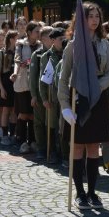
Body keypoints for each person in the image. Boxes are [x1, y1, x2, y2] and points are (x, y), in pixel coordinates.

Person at [58, 2, 109, 210]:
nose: (94, 20)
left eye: (97, 16)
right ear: (81, 19)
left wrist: (98, 87)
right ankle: (80, 193)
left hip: (97, 98)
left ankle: (92, 192)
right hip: (77, 98)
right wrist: (65, 106)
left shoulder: (104, 43)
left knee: (93, 147)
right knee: (77, 147)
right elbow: (63, 78)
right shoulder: (73, 45)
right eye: (90, 16)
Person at [11, 21, 41, 154]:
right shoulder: (21, 44)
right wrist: (15, 73)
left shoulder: (41, 45)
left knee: (33, 114)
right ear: (29, 32)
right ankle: (22, 141)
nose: (39, 34)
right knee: (23, 113)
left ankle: (33, 141)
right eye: (36, 31)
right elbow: (17, 60)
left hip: (36, 84)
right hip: (23, 83)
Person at [39, 27, 65, 164]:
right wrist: (44, 98)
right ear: (53, 41)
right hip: (52, 96)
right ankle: (53, 151)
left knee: (63, 126)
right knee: (52, 125)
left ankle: (63, 151)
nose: (63, 41)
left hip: (65, 96)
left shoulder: (68, 53)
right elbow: (42, 79)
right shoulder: (47, 56)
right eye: (61, 39)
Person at [30, 26, 54, 160]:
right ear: (44, 39)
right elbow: (33, 77)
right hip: (40, 94)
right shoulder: (37, 54)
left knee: (51, 123)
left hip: (52, 94)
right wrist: (33, 95)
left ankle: (52, 148)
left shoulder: (57, 53)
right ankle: (41, 147)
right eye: (51, 36)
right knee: (39, 123)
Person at [0, 30, 18, 145]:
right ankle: (4, 135)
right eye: (16, 38)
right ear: (11, 39)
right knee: (5, 110)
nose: (18, 40)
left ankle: (12, 134)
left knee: (14, 109)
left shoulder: (19, 52)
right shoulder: (1, 53)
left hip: (16, 83)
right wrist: (1, 89)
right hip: (5, 84)